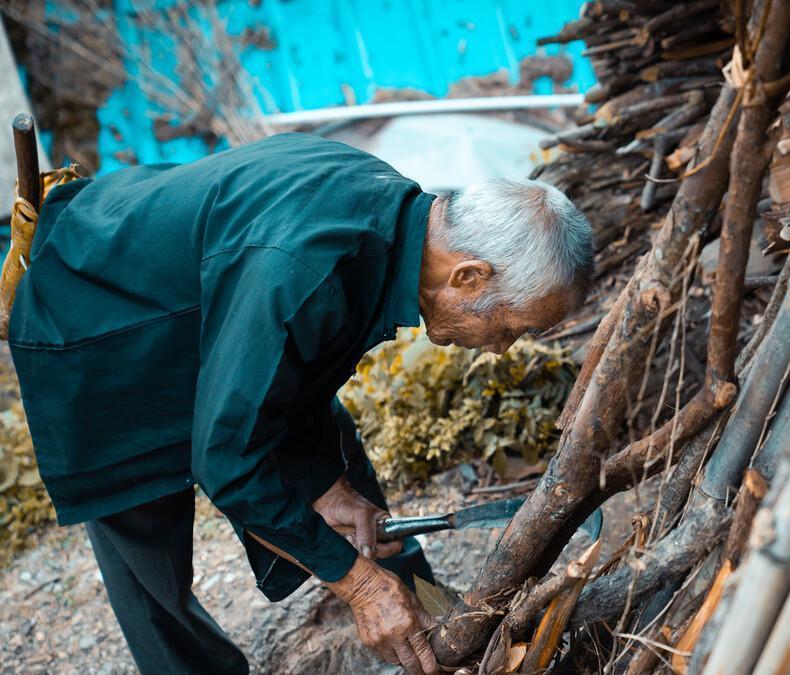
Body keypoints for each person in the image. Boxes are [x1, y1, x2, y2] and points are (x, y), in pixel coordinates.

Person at [7, 133, 594, 674]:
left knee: (340, 464)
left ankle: (433, 634)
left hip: (197, 307)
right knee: (153, 565)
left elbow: (294, 376)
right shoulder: (304, 266)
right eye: (511, 327)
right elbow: (229, 458)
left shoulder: (387, 223)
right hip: (94, 315)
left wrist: (323, 485)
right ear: (468, 276)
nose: (499, 349)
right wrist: (357, 584)